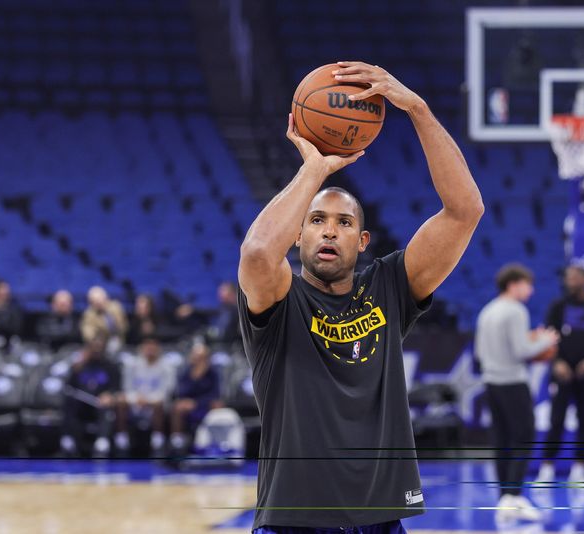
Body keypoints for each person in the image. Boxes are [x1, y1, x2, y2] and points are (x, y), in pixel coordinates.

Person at [238, 61, 483, 532]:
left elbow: (465, 210)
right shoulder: (280, 301)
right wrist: (314, 170)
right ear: (297, 236)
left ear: (363, 240)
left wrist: (418, 109)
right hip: (295, 519)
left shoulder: (388, 287)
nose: (329, 231)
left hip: (380, 517)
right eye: (316, 221)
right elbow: (256, 252)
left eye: (344, 222)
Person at [475, 264, 559, 524]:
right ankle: (514, 496)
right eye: (527, 284)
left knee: (501, 440)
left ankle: (505, 498)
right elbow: (522, 350)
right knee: (524, 437)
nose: (531, 290)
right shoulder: (515, 310)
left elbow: (478, 353)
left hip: (491, 382)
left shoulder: (487, 310)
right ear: (513, 284)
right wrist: (546, 339)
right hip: (512, 381)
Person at [536, 265, 584, 486]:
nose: (570, 281)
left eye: (575, 277)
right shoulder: (557, 307)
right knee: (556, 419)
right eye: (568, 278)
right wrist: (557, 362)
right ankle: (546, 468)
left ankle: (579, 470)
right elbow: (547, 338)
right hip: (562, 373)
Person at [60, 335, 122, 458]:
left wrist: (110, 395)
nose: (96, 350)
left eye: (99, 347)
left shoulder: (111, 366)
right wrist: (77, 369)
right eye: (93, 347)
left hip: (99, 404)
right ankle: (68, 441)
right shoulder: (79, 366)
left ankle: (102, 443)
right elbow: (68, 387)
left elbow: (116, 388)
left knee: (107, 408)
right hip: (81, 403)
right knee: (69, 402)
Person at [115, 335, 174, 455]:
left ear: (158, 349)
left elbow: (167, 391)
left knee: (159, 404)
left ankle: (157, 439)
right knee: (120, 401)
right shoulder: (132, 365)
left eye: (153, 347)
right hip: (135, 403)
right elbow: (127, 387)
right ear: (141, 348)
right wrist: (136, 398)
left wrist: (148, 400)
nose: (150, 350)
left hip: (155, 405)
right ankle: (121, 438)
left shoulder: (167, 367)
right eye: (147, 347)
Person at [169, 341, 222, 453]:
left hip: (205, 405)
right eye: (196, 357)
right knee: (177, 407)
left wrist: (196, 403)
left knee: (217, 405)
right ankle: (177, 442)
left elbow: (215, 394)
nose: (198, 360)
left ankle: (214, 444)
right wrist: (195, 378)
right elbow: (181, 392)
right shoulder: (186, 371)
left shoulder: (213, 374)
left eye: (202, 358)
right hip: (187, 406)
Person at [80, 286, 127, 353]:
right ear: (91, 303)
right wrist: (96, 338)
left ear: (106, 298)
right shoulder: (89, 314)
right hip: (99, 344)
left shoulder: (116, 307)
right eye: (94, 301)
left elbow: (123, 326)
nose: (98, 302)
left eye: (99, 299)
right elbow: (87, 332)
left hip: (118, 340)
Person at [210, 281, 241, 345]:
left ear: (231, 293)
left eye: (223, 290)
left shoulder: (240, 309)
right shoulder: (223, 308)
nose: (219, 293)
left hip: (236, 344)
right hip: (221, 343)